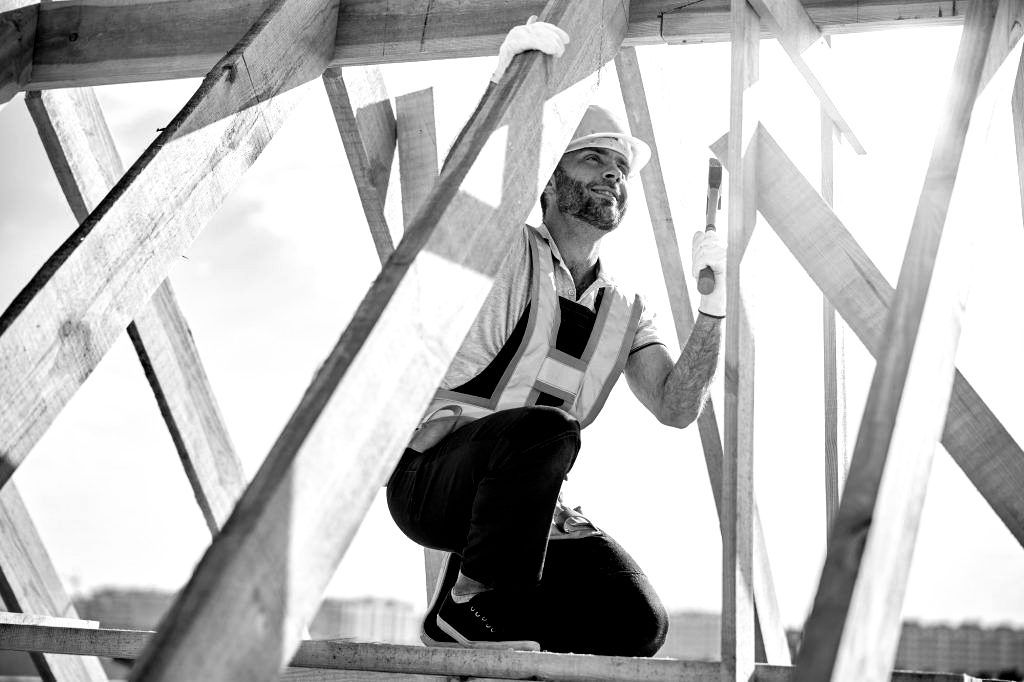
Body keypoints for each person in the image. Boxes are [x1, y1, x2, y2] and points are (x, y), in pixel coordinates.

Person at [385, 19, 727, 657]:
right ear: (547, 177)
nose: (613, 175)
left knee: (636, 624)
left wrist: (715, 306)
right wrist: (506, 92)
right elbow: (465, 200)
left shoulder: (625, 308)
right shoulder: (505, 252)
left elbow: (678, 408)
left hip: (520, 513)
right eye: (593, 156)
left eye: (621, 166)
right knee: (548, 429)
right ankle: (468, 606)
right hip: (434, 480)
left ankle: (481, 620)